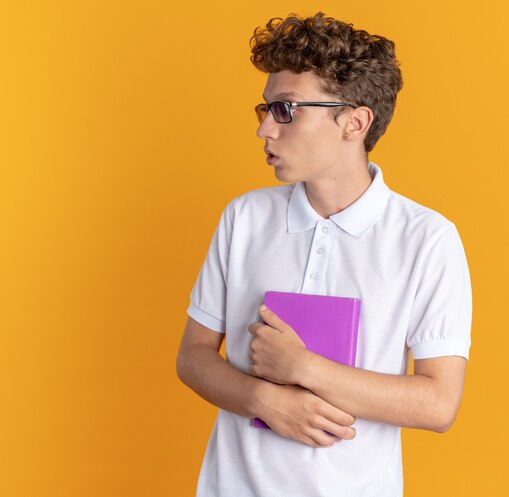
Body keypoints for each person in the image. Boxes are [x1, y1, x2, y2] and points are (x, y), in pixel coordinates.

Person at [177, 12, 472, 497]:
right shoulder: (244, 218)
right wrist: (263, 399)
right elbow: (192, 357)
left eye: (286, 110)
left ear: (354, 122)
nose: (265, 130)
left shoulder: (427, 239)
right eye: (265, 109)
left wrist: (304, 368)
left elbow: (438, 403)